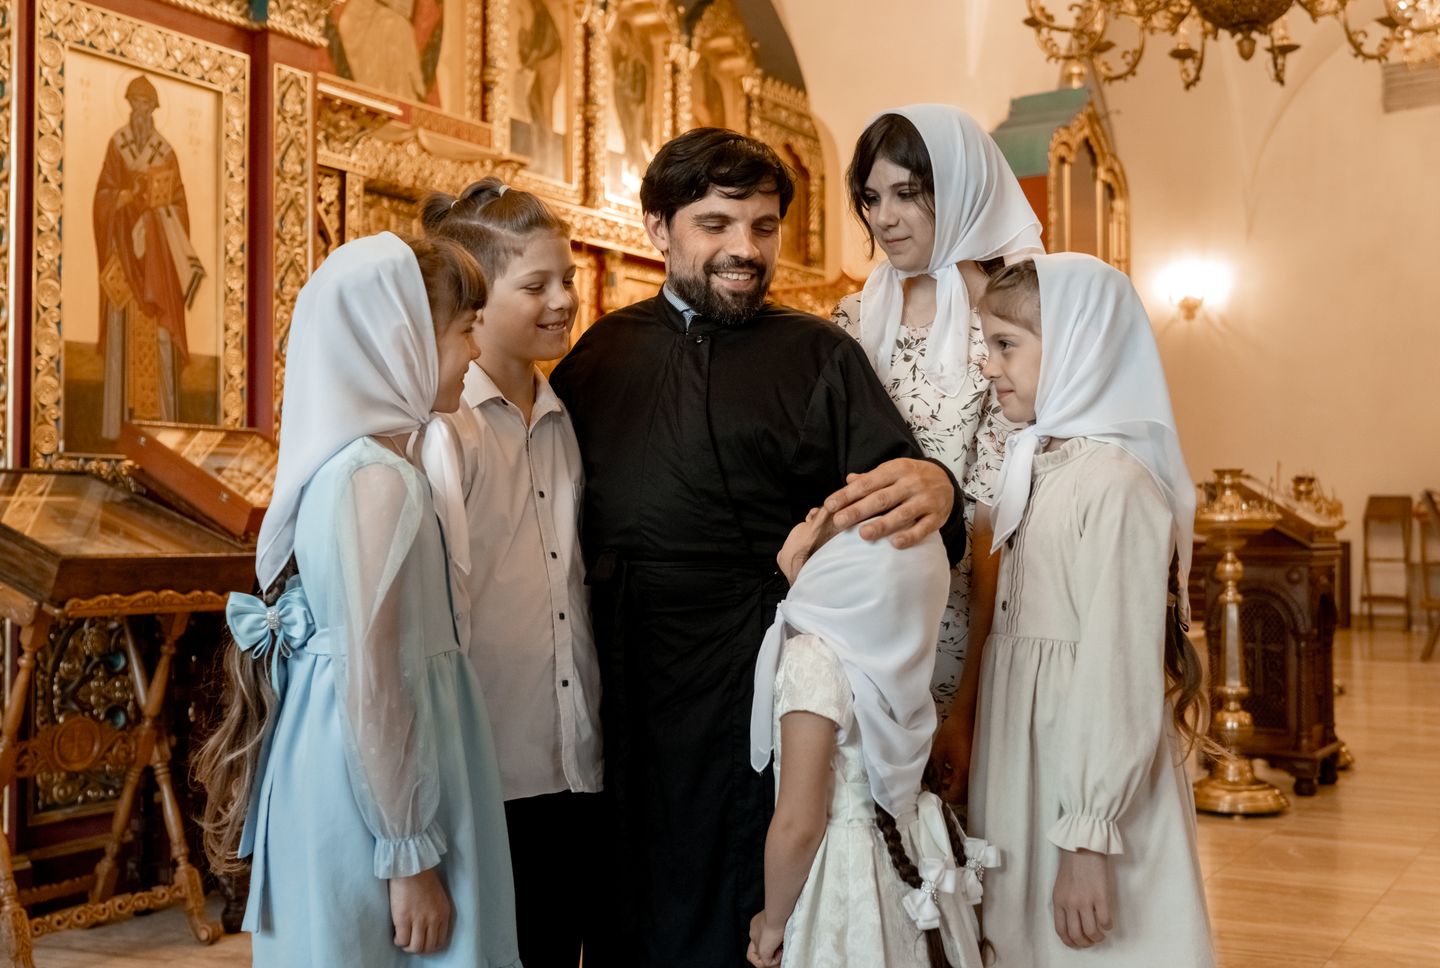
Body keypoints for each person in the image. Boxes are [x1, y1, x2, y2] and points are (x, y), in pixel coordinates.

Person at [548, 127, 965, 968]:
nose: (745, 249)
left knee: (743, 911)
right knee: (624, 898)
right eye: (716, 224)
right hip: (621, 682)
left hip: (757, 683)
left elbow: (907, 517)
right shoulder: (598, 356)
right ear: (658, 228)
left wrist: (938, 488)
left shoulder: (819, 356)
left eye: (764, 227)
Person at [195, 232, 521, 968]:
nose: (476, 352)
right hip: (379, 790)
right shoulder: (379, 483)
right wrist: (408, 854)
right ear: (397, 340)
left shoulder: (355, 468)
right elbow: (376, 683)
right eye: (463, 330)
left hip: (367, 767)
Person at [968, 254, 1216, 966]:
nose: (989, 365)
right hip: (1027, 764)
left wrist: (1087, 837)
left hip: (1084, 785)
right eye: (987, 344)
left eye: (1006, 345)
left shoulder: (1116, 484)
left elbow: (1117, 670)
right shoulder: (1039, 466)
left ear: (1078, 345)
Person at [832, 104, 1043, 801]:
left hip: (960, 622)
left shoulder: (1007, 327)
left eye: (907, 193)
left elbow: (996, 527)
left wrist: (968, 704)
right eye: (871, 197)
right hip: (859, 610)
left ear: (958, 191)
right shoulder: (850, 320)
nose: (884, 218)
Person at [422, 177, 603, 967]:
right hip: (488, 764)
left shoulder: (565, 417)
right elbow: (444, 612)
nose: (563, 300)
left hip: (575, 758)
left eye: (568, 278)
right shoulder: (447, 432)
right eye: (536, 285)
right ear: (479, 296)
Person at [746, 507, 993, 968]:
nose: (812, 512)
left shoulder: (811, 656)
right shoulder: (893, 655)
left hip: (844, 889)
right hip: (907, 868)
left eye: (821, 517)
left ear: (834, 564)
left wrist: (773, 922)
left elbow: (798, 824)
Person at [93, 74, 206, 440]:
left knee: (158, 336)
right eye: (136, 103)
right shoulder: (118, 145)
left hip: (156, 262)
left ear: (155, 109)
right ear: (129, 105)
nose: (141, 110)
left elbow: (180, 207)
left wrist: (158, 214)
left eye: (147, 104)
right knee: (121, 330)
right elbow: (103, 196)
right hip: (123, 257)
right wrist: (122, 198)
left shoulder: (165, 152)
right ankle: (116, 428)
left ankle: (166, 430)